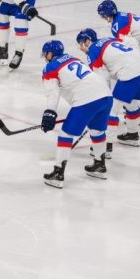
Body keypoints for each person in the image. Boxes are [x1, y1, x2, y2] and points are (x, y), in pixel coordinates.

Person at [39, 40, 113, 189]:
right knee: (97, 131)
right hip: (106, 95)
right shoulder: (74, 59)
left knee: (65, 134)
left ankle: (58, 174)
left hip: (87, 98)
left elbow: (53, 92)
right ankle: (99, 165)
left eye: (46, 54)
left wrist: (50, 113)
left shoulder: (50, 67)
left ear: (50, 54)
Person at [77, 28, 140, 150]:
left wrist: (105, 99)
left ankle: (106, 146)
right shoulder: (109, 39)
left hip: (129, 74)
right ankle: (132, 134)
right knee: (131, 104)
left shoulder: (93, 51)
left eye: (81, 43)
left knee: (110, 111)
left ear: (87, 41)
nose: (81, 48)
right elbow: (131, 42)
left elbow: (103, 79)